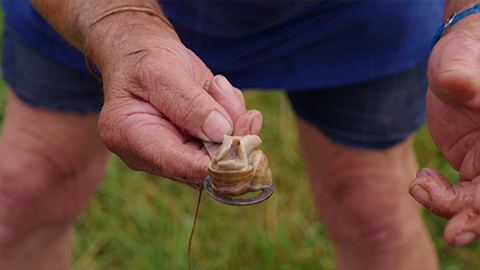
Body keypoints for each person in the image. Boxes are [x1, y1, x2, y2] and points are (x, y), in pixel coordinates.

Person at [1, 0, 476, 269]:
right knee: (24, 192)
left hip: (356, 13)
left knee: (372, 212)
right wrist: (118, 25)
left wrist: (470, 17)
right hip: (96, 7)